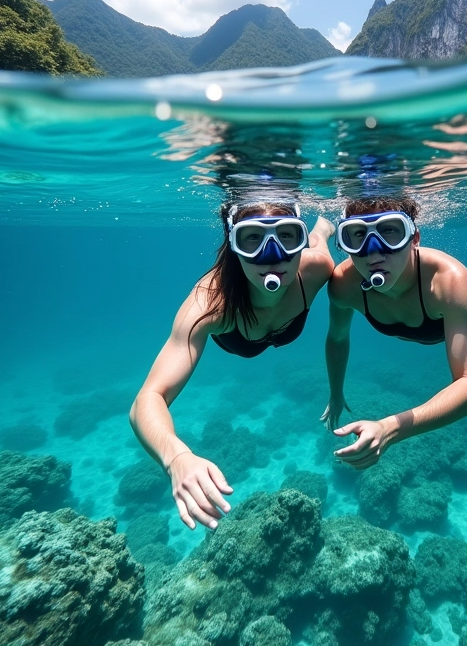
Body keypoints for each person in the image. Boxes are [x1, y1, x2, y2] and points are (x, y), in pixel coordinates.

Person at [130, 202, 335, 530]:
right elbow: (147, 399)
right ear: (232, 244)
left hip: (289, 303)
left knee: (320, 242)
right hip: (237, 340)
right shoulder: (209, 303)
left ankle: (318, 228)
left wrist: (319, 236)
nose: (273, 254)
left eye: (288, 236)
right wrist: (176, 457)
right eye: (252, 238)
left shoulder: (317, 269)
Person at [321, 196, 467, 470]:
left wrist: (389, 429)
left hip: (463, 301)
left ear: (414, 238)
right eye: (357, 235)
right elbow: (337, 337)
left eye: (389, 231)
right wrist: (336, 392)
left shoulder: (449, 280)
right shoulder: (343, 285)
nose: (373, 253)